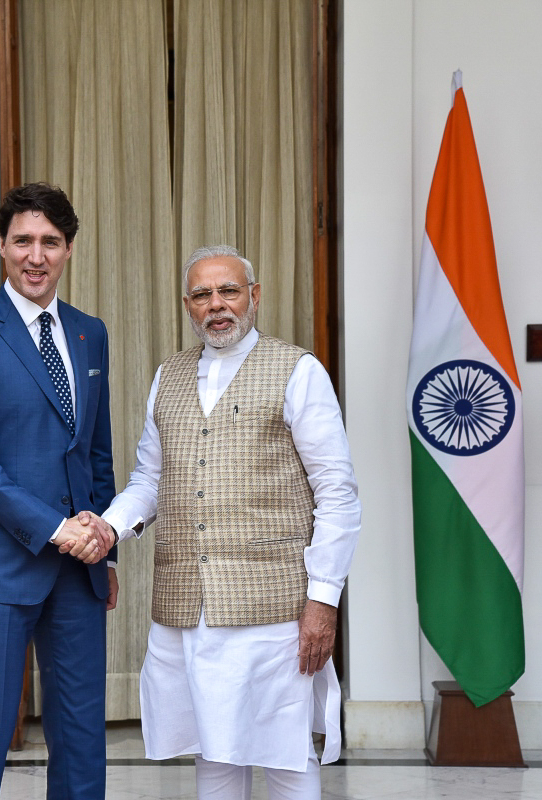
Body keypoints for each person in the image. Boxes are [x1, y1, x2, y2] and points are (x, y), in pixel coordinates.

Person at [81, 245, 360, 800]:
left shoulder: (298, 370)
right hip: (189, 607)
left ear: (253, 297)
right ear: (188, 305)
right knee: (211, 748)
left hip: (273, 609)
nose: (217, 305)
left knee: (285, 752)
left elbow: (338, 493)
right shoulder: (170, 375)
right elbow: (149, 480)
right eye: (203, 295)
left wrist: (324, 599)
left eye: (228, 291)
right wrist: (108, 526)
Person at [0, 182, 118, 800]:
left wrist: (104, 547)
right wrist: (54, 527)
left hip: (78, 570)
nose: (35, 256)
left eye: (50, 242)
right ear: (3, 249)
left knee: (81, 736)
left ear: (68, 250)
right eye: (23, 242)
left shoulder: (91, 333)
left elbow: (95, 452)